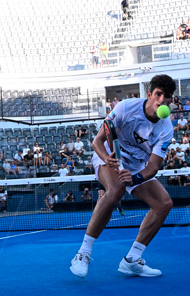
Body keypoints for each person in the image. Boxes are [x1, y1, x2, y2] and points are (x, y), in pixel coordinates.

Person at [69, 74, 177, 278]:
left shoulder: (166, 128)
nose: (162, 100)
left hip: (135, 167)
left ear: (172, 99)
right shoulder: (126, 107)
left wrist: (135, 179)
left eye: (167, 96)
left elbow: (153, 167)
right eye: (158, 94)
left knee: (164, 203)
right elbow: (98, 141)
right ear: (150, 94)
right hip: (107, 157)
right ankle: (82, 254)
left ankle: (132, 260)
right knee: (116, 190)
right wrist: (107, 159)